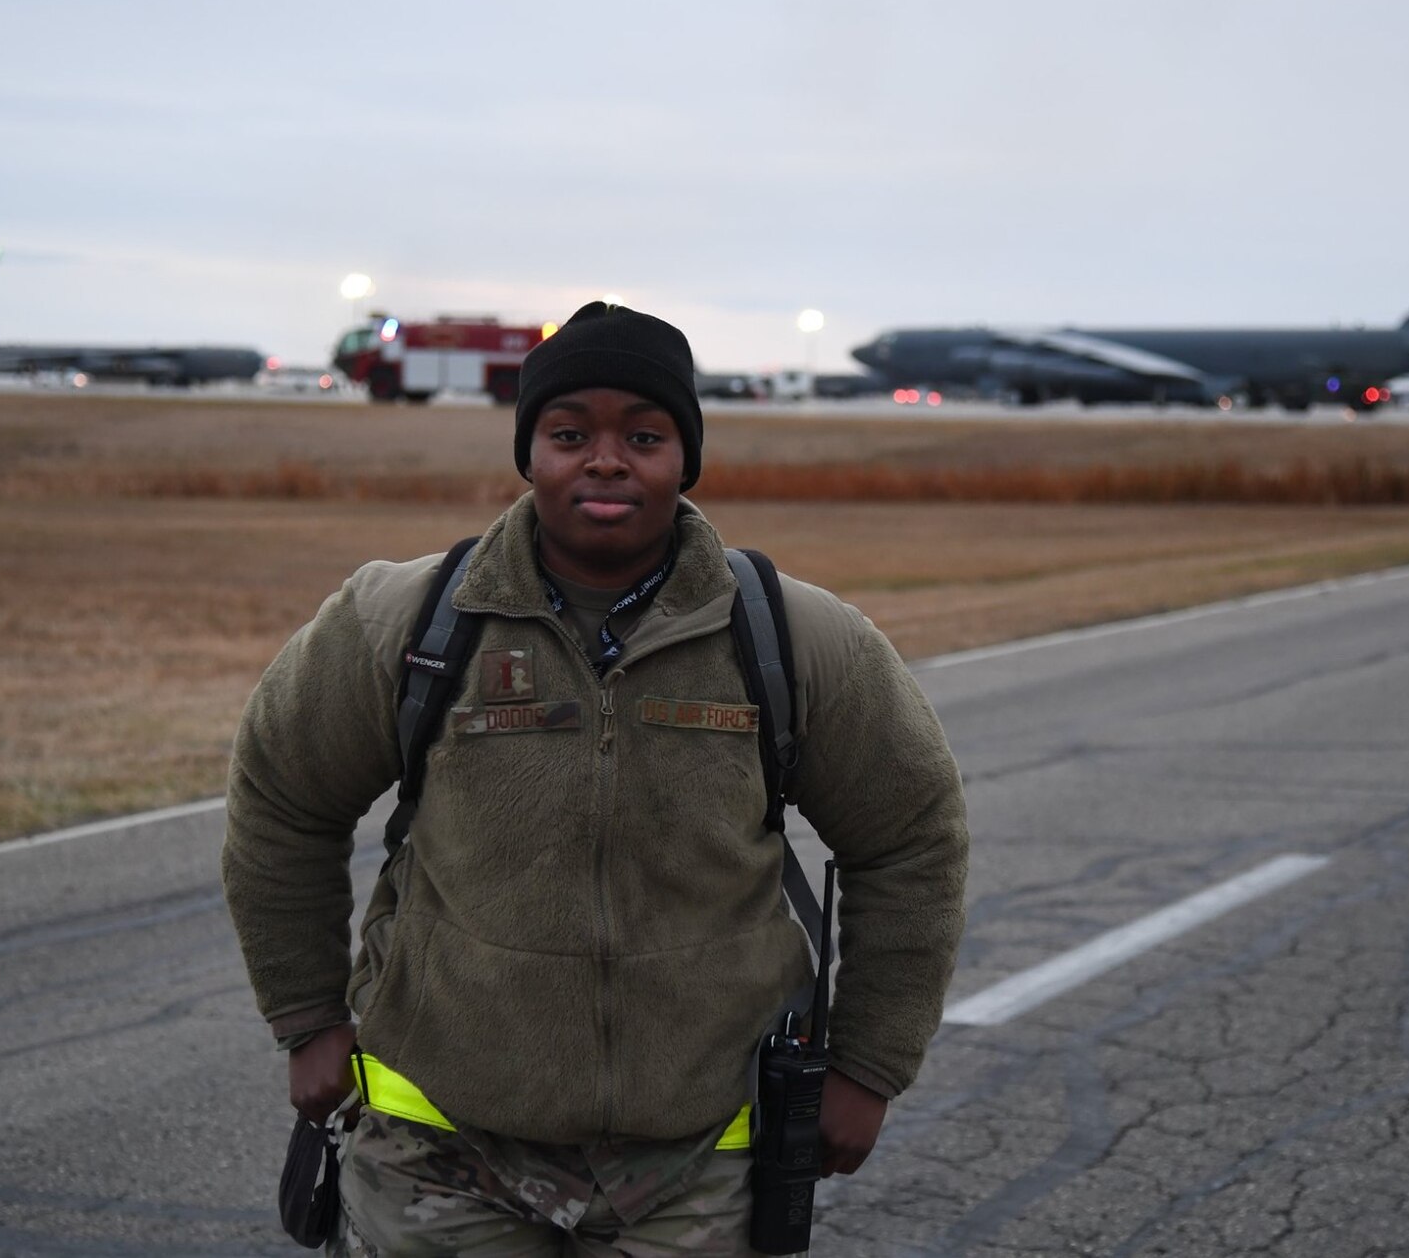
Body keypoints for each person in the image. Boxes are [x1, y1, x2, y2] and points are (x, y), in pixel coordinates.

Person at [223, 301, 968, 1256]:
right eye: (570, 433)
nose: (607, 460)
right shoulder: (406, 622)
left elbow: (913, 833)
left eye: (644, 436)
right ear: (528, 452)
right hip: (436, 1152)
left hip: (697, 1164)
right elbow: (281, 797)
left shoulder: (790, 636)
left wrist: (868, 1065)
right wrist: (307, 1016)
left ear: (685, 460)